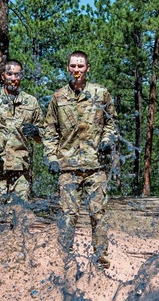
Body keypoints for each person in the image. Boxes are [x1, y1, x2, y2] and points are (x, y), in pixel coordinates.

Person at [42, 51, 117, 268]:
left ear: (87, 68)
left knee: (98, 215)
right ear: (68, 68)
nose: (77, 70)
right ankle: (66, 260)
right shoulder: (58, 97)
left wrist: (107, 140)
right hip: (68, 166)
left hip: (95, 165)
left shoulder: (101, 93)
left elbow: (111, 123)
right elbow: (50, 131)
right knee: (68, 216)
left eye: (81, 66)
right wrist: (52, 157)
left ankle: (100, 261)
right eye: (73, 66)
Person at [0, 59, 44, 201]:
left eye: (17, 75)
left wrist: (37, 132)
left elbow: (46, 134)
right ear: (3, 76)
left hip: (20, 170)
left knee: (20, 216)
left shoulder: (30, 102)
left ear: (21, 77)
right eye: (10, 74)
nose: (13, 78)